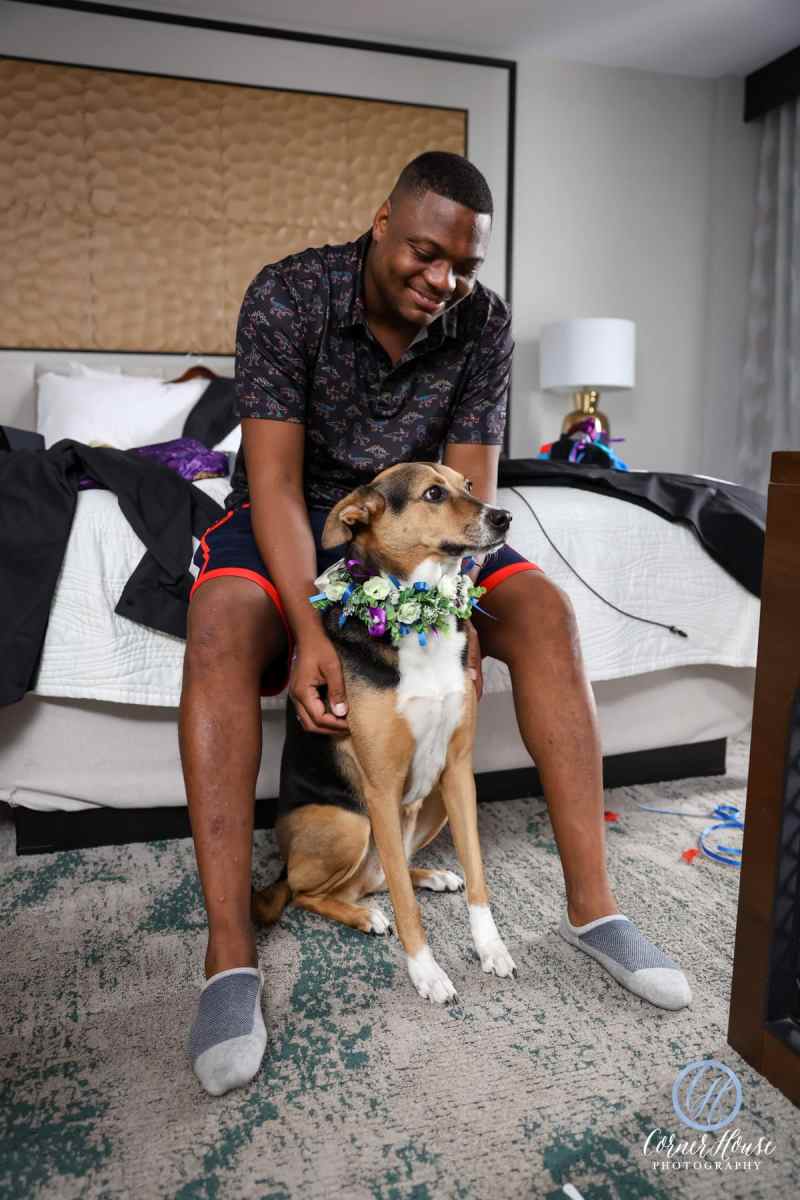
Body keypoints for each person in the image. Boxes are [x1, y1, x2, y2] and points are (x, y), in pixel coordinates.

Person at [181, 151, 690, 1097]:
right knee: (218, 621)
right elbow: (278, 484)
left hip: (430, 531)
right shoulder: (287, 297)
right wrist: (316, 632)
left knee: (545, 612)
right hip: (310, 515)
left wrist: (465, 622)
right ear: (381, 223)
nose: (442, 281)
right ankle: (229, 956)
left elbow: (472, 487)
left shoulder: (482, 324)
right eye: (424, 254)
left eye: (463, 265)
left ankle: (597, 909)